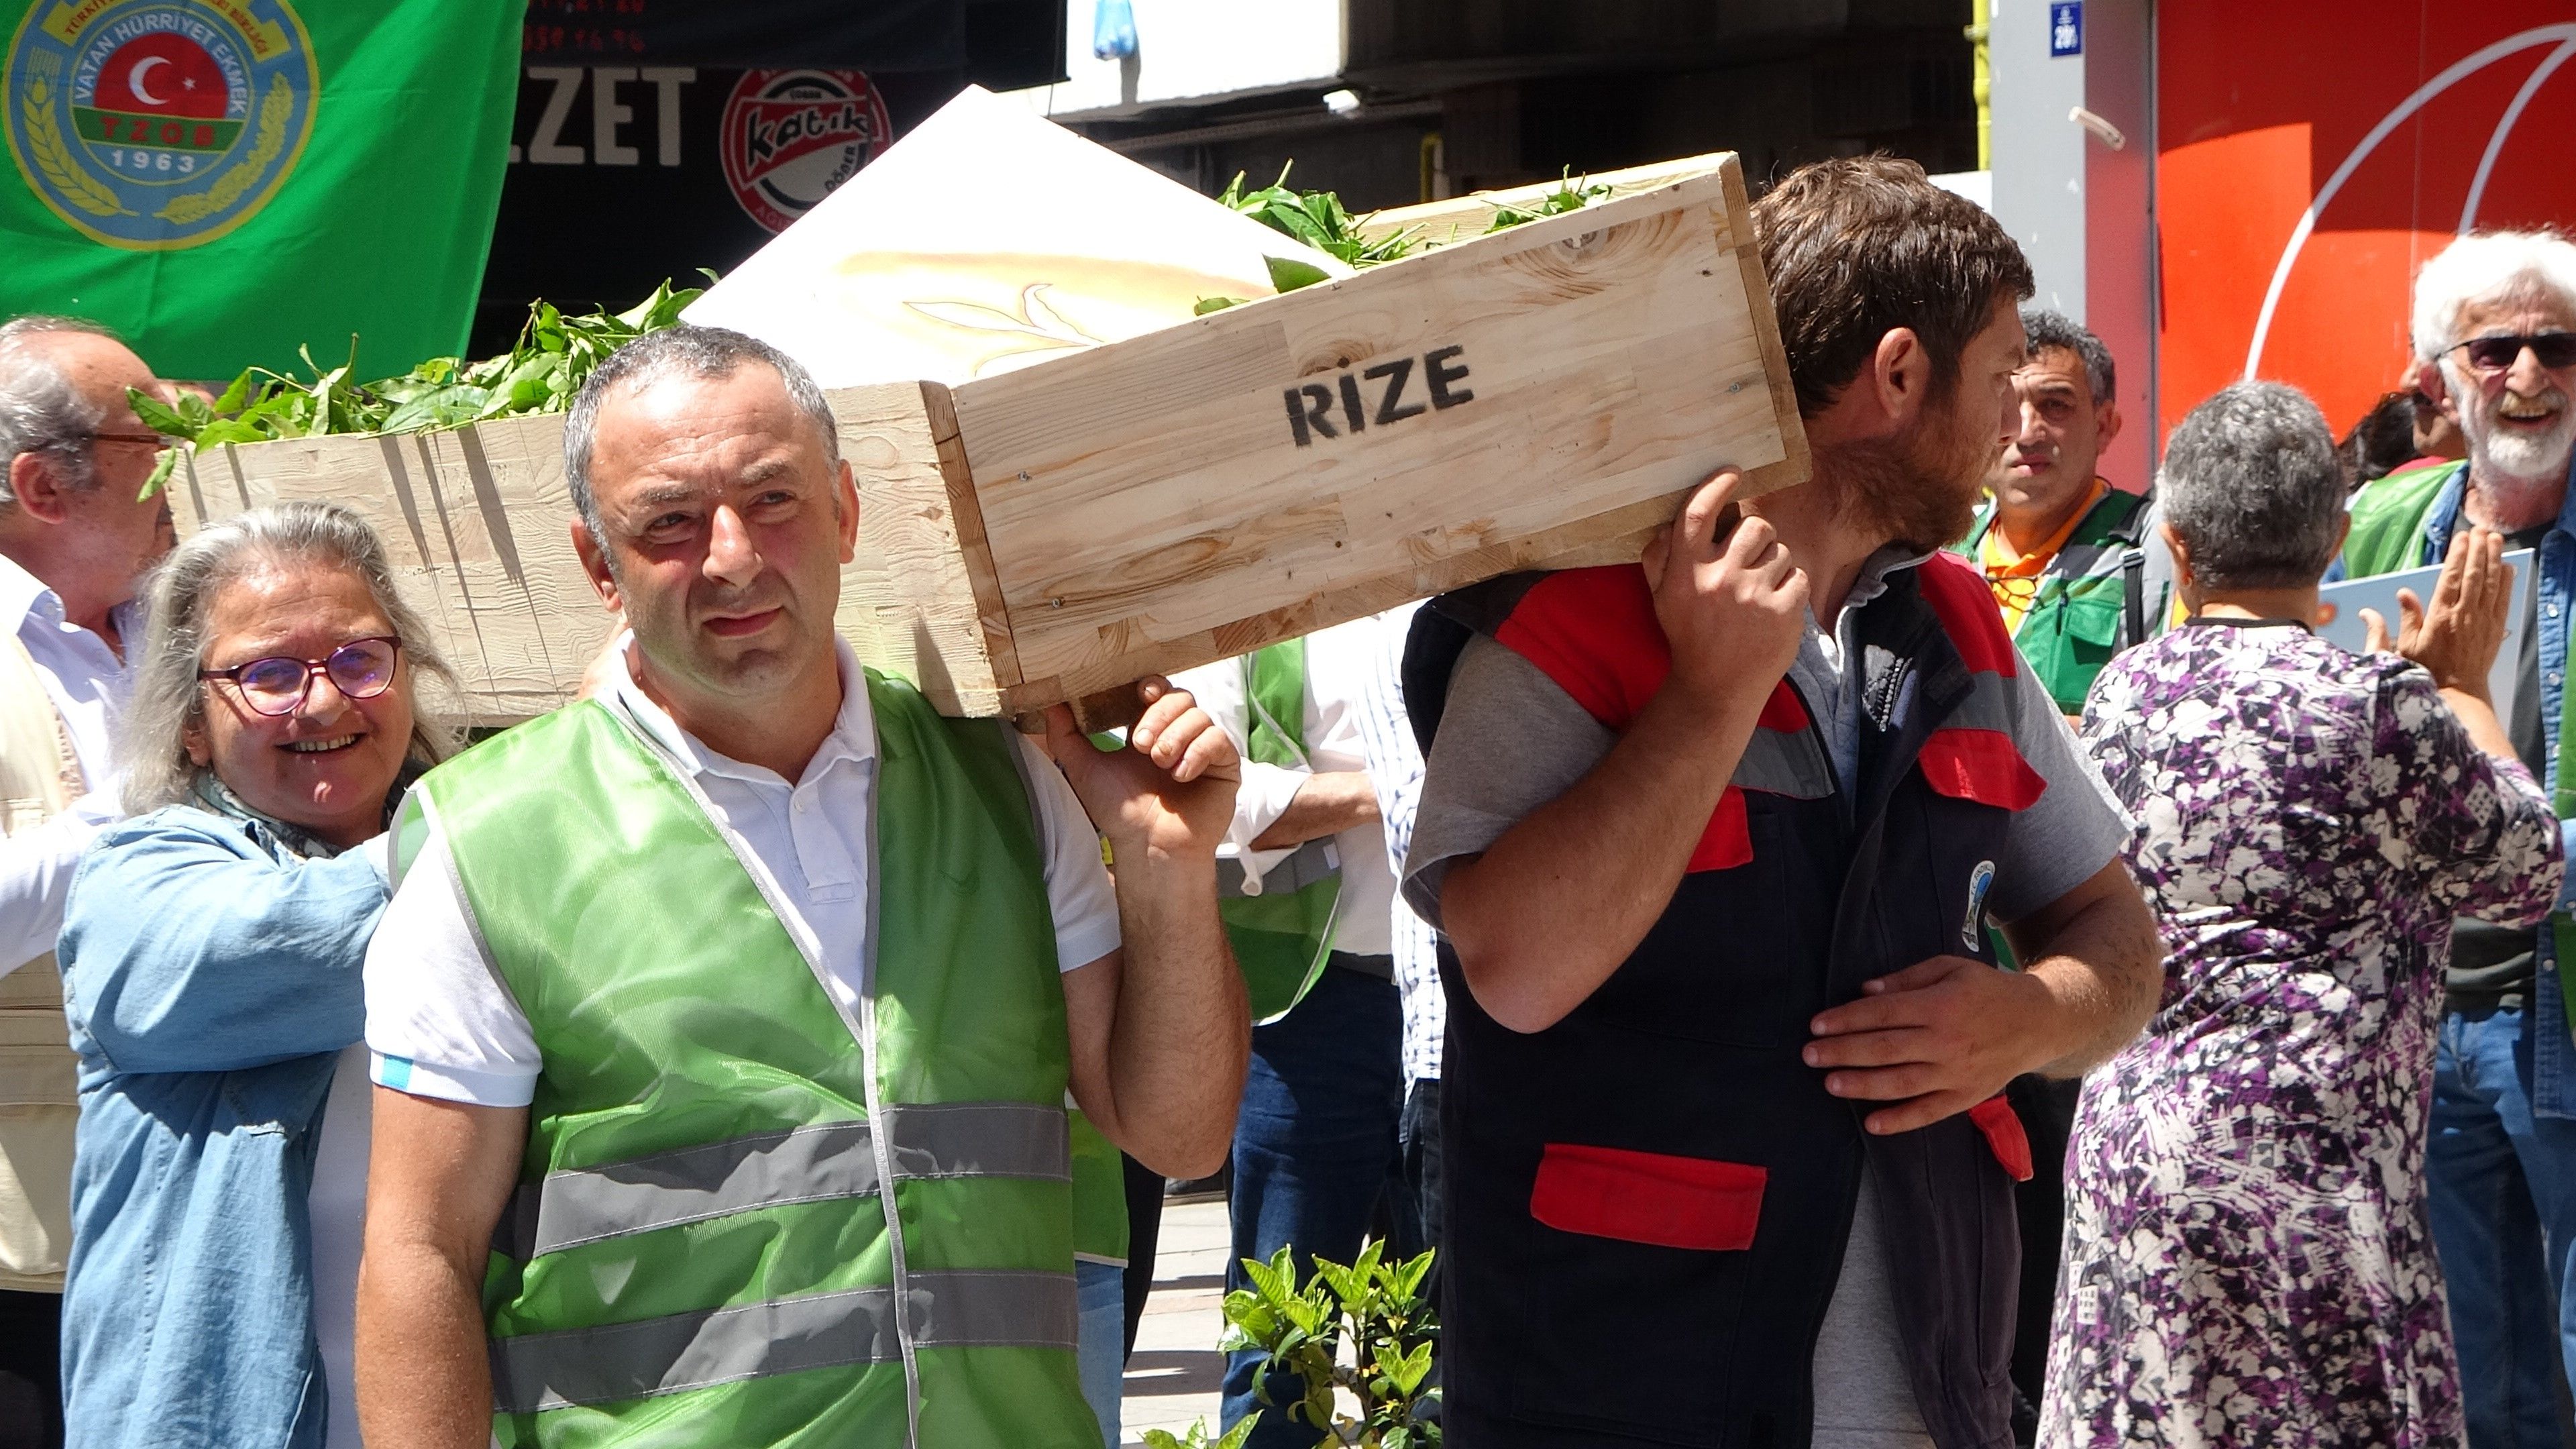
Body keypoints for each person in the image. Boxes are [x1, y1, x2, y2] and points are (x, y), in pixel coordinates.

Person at [354, 325, 1250, 1449]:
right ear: (600, 568)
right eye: (670, 521)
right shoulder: (493, 838)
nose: (731, 554)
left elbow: (1179, 1136)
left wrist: (1167, 869)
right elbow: (420, 1251)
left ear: (847, 515)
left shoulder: (1004, 782)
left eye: (773, 499)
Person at [1398, 156, 2163, 1448]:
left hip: (1927, 1392)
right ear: (1899, 378)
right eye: (1994, 385)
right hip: (1625, 1391)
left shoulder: (1962, 629)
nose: (2007, 434)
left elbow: (2123, 943)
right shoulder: (1571, 616)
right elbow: (1516, 970)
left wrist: (2026, 1018)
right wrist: (1707, 702)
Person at [2045, 382, 2563, 1446]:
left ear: (2178, 552)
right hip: (2319, 1177)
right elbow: (2526, 873)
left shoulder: (2127, 693)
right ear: (2333, 538)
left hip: (2141, 1163)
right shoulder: (2382, 704)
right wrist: (2464, 688)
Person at [56, 501, 455, 1448]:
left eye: (360, 659)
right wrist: (511, 810)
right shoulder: (139, 880)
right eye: (268, 675)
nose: (322, 702)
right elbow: (276, 947)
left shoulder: (481, 853)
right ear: (192, 726)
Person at [2337, 229, 2576, 1449]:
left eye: (2559, 345)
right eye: (2498, 348)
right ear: (2442, 370)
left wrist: (2533, 856)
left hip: (2565, 1005)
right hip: (2423, 1015)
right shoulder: (2383, 529)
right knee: (2464, 1365)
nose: (2530, 373)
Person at [1170, 612, 1407, 1448]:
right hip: (1309, 1012)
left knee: (1439, 1346)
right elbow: (1217, 800)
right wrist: (1400, 789)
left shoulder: (1460, 576)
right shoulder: (1262, 598)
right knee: (1280, 1351)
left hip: (1462, 1007)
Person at [0, 315, 174, 1442]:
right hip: (21, 1265)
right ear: (40, 486)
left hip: (197, 1221)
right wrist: (151, 799)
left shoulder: (193, 622)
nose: (188, 462)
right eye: (150, 435)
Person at [1953, 308, 2150, 716]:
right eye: (2005, 401)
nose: (2025, 432)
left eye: (2055, 405)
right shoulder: (1937, 549)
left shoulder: (2152, 551)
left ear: (2105, 427)